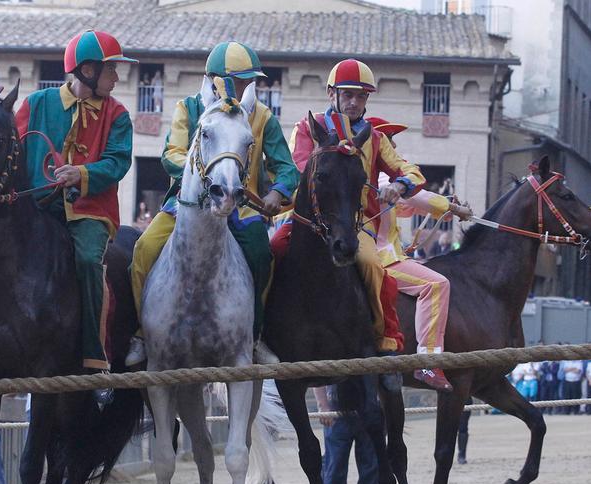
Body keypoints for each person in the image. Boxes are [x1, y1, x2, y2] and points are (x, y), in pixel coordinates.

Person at [272, 58, 455, 391]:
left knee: (372, 264)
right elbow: (300, 169)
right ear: (332, 93)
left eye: (361, 96)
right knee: (271, 252)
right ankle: (260, 333)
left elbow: (410, 172)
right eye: (347, 94)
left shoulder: (376, 137)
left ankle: (384, 342)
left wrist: (399, 186)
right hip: (308, 221)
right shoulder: (306, 128)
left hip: (354, 224)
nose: (354, 101)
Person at [126, 41, 300, 367]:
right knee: (144, 248)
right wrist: (200, 175)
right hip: (188, 203)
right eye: (245, 80)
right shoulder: (188, 109)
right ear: (220, 80)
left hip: (242, 206)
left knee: (263, 254)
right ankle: (142, 332)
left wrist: (277, 191)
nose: (252, 87)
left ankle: (255, 336)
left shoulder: (263, 117)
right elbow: (171, 154)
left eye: (252, 81)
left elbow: (287, 167)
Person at [16, 30, 136, 404]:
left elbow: (117, 162)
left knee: (87, 260)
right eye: (111, 69)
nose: (117, 78)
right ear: (86, 69)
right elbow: (13, 152)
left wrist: (80, 174)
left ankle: (96, 361)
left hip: (90, 211)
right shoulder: (34, 104)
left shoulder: (118, 114)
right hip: (36, 208)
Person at [367, 118, 473, 388]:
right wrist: (451, 207)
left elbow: (405, 206)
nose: (394, 145)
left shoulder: (378, 181)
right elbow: (417, 198)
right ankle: (427, 362)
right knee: (437, 285)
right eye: (389, 139)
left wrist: (443, 210)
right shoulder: (381, 177)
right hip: (383, 259)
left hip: (382, 256)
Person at [295, 385, 379, 484]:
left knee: (370, 463)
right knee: (335, 464)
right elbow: (320, 374)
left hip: (367, 408)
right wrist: (323, 406)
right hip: (336, 410)